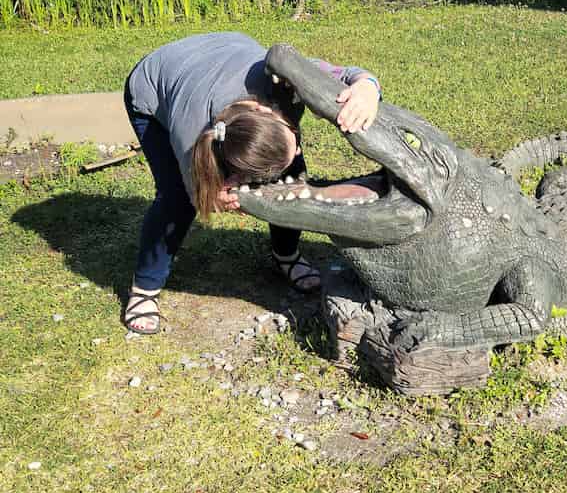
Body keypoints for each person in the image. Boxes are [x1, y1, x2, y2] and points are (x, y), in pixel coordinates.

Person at [121, 32, 381, 335]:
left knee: (291, 179)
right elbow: (199, 191)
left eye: (293, 138)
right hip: (155, 85)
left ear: (268, 111)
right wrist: (213, 196)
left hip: (225, 50)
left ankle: (286, 255)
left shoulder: (281, 75)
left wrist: (366, 87)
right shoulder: (191, 130)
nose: (299, 147)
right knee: (176, 200)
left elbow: (349, 75)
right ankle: (144, 288)